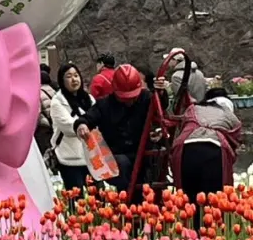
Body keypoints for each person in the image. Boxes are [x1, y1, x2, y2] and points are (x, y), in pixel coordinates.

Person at [77, 63, 167, 194]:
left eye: (133, 97)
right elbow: (87, 118)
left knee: (155, 162)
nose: (129, 101)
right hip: (118, 158)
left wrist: (161, 93)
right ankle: (127, 197)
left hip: (144, 154)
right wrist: (82, 125)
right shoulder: (105, 105)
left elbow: (160, 106)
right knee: (122, 165)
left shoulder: (146, 98)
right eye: (124, 98)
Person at [171, 85, 243, 226]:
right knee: (213, 197)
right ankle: (211, 231)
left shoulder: (193, 109)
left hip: (186, 148)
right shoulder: (229, 115)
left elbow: (182, 126)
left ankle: (192, 231)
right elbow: (236, 138)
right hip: (214, 150)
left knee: (189, 196)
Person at [49, 62, 91, 197]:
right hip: (69, 157)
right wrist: (84, 125)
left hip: (91, 156)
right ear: (62, 80)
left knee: (97, 198)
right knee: (76, 198)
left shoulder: (88, 99)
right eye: (69, 76)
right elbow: (68, 126)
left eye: (76, 75)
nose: (74, 79)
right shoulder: (57, 102)